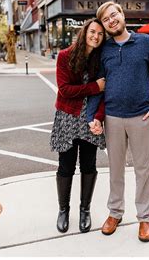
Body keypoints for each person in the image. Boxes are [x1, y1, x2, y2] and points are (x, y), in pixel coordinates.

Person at [86, 1, 149, 242]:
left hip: (141, 117)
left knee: (143, 170)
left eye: (114, 15)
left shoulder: (144, 42)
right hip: (112, 118)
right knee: (116, 169)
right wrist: (94, 116)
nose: (112, 21)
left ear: (122, 15)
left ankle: (145, 218)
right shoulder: (105, 50)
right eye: (106, 19)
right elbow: (100, 86)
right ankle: (115, 213)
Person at [50, 18, 106, 233]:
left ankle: (85, 210)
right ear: (84, 32)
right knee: (66, 165)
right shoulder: (65, 56)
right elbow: (65, 90)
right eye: (93, 32)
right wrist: (94, 87)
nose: (96, 36)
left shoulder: (100, 60)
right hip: (67, 118)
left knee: (89, 165)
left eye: (100, 34)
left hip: (90, 121)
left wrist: (98, 118)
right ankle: (63, 210)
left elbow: (104, 94)